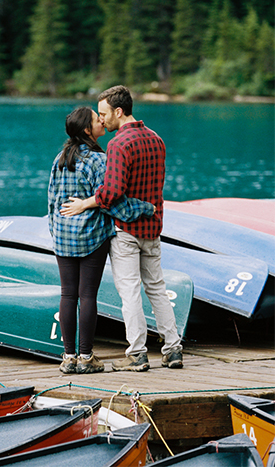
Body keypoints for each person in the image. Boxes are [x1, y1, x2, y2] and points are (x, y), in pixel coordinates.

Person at [61, 85, 184, 372]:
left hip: (127, 231)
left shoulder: (119, 144)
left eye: (104, 114)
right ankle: (173, 348)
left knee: (129, 292)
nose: (101, 120)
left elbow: (112, 192)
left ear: (119, 111)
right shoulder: (157, 139)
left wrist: (85, 204)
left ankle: (138, 353)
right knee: (157, 289)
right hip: (153, 228)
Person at [49, 106, 154, 374]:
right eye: (97, 120)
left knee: (67, 294)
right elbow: (111, 202)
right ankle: (86, 357)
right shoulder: (98, 160)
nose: (102, 122)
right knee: (87, 295)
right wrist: (145, 208)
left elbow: (51, 201)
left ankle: (68, 357)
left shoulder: (59, 158)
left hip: (62, 237)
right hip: (92, 237)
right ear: (87, 130)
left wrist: (57, 230)